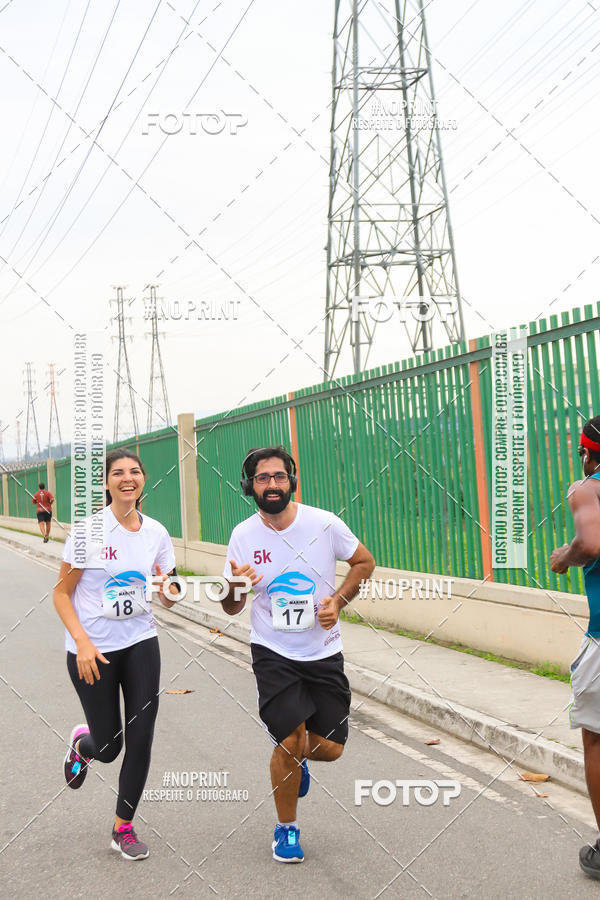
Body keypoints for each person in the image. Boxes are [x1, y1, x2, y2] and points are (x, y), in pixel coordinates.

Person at [221, 445, 375, 863]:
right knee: (288, 740)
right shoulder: (242, 535)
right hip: (273, 649)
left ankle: (296, 759)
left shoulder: (324, 524)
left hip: (323, 651)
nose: (272, 484)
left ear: (292, 481)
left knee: (330, 748)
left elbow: (364, 561)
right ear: (249, 486)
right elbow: (231, 607)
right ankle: (286, 828)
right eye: (262, 478)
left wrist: (339, 601)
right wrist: (237, 585)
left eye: (279, 476)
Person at [53, 448, 181, 860]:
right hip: (93, 651)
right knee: (111, 748)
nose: (128, 478)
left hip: (142, 643)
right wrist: (83, 641)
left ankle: (122, 827)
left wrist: (169, 592)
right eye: (119, 473)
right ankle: (85, 745)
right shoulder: (88, 533)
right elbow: (61, 594)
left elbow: (172, 589)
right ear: (106, 483)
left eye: (135, 472)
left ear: (144, 480)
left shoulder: (157, 533)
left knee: (141, 738)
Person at [550, 415, 600, 879]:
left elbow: (590, 542)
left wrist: (563, 557)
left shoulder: (586, 488)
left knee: (596, 737)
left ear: (588, 453)